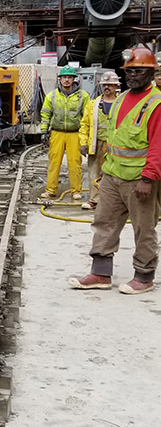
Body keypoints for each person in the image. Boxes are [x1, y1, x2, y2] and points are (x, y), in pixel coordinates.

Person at [69, 47, 161, 294]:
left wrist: (148, 178)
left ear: (152, 73)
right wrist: (104, 171)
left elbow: (158, 145)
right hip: (112, 175)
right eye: (129, 71)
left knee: (143, 228)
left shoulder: (156, 104)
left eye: (138, 71)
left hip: (139, 179)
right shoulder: (121, 99)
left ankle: (144, 276)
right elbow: (114, 137)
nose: (132, 75)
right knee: (104, 223)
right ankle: (100, 273)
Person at [40, 65, 90, 200]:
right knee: (54, 162)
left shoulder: (82, 96)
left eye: (69, 77)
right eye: (64, 77)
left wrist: (86, 136)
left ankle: (76, 191)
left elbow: (87, 117)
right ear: (60, 79)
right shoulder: (52, 96)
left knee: (75, 163)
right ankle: (50, 190)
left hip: (75, 133)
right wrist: (44, 131)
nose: (67, 80)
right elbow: (45, 114)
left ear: (74, 79)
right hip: (57, 133)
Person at [78, 71, 120, 210]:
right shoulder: (92, 104)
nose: (107, 87)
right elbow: (85, 124)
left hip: (116, 145)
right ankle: (94, 200)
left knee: (114, 173)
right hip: (96, 144)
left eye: (110, 85)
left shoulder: (122, 104)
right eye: (105, 84)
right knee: (94, 172)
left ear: (116, 86)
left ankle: (114, 201)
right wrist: (83, 142)